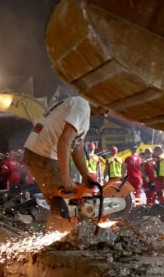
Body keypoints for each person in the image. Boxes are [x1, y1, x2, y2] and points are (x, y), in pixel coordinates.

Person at [22, 96, 107, 231]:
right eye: (106, 108)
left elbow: (77, 147)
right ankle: (66, 240)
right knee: (67, 203)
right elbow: (64, 141)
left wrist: (85, 175)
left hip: (42, 154)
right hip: (44, 155)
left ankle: (58, 238)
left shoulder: (82, 110)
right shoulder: (81, 106)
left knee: (61, 203)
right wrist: (65, 176)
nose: (106, 114)